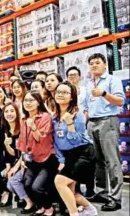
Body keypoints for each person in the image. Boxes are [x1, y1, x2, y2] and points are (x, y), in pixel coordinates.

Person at [83, 53, 125, 211]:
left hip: (108, 121)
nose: (94, 65)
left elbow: (120, 101)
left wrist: (104, 94)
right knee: (97, 161)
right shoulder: (88, 82)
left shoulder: (112, 80)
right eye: (91, 63)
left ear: (105, 64)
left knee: (112, 161)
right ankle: (102, 192)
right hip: (91, 123)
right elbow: (87, 106)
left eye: (97, 63)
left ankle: (116, 198)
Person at [53, 81, 97, 216]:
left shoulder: (78, 115)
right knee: (70, 190)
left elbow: (77, 140)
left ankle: (74, 214)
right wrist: (61, 159)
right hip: (69, 155)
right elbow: (55, 141)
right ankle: (89, 209)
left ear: (71, 96)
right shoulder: (53, 117)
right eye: (58, 92)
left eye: (65, 92)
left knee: (59, 181)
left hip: (84, 152)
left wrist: (70, 123)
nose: (60, 95)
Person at [17, 91, 58, 216]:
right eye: (26, 101)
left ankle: (48, 207)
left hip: (46, 158)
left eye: (31, 100)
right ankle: (40, 206)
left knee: (37, 187)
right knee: (27, 184)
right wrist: (23, 158)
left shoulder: (45, 117)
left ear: (39, 102)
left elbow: (42, 139)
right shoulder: (23, 119)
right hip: (31, 159)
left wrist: (34, 127)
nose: (28, 103)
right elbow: (22, 140)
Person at [2, 103, 33, 210]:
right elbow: (11, 153)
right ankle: (23, 197)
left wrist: (15, 167)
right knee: (9, 184)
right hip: (14, 161)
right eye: (6, 111)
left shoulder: (22, 127)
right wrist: (8, 167)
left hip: (26, 160)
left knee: (13, 181)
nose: (9, 114)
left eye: (12, 111)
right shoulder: (4, 130)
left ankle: (29, 201)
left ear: (17, 113)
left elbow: (24, 151)